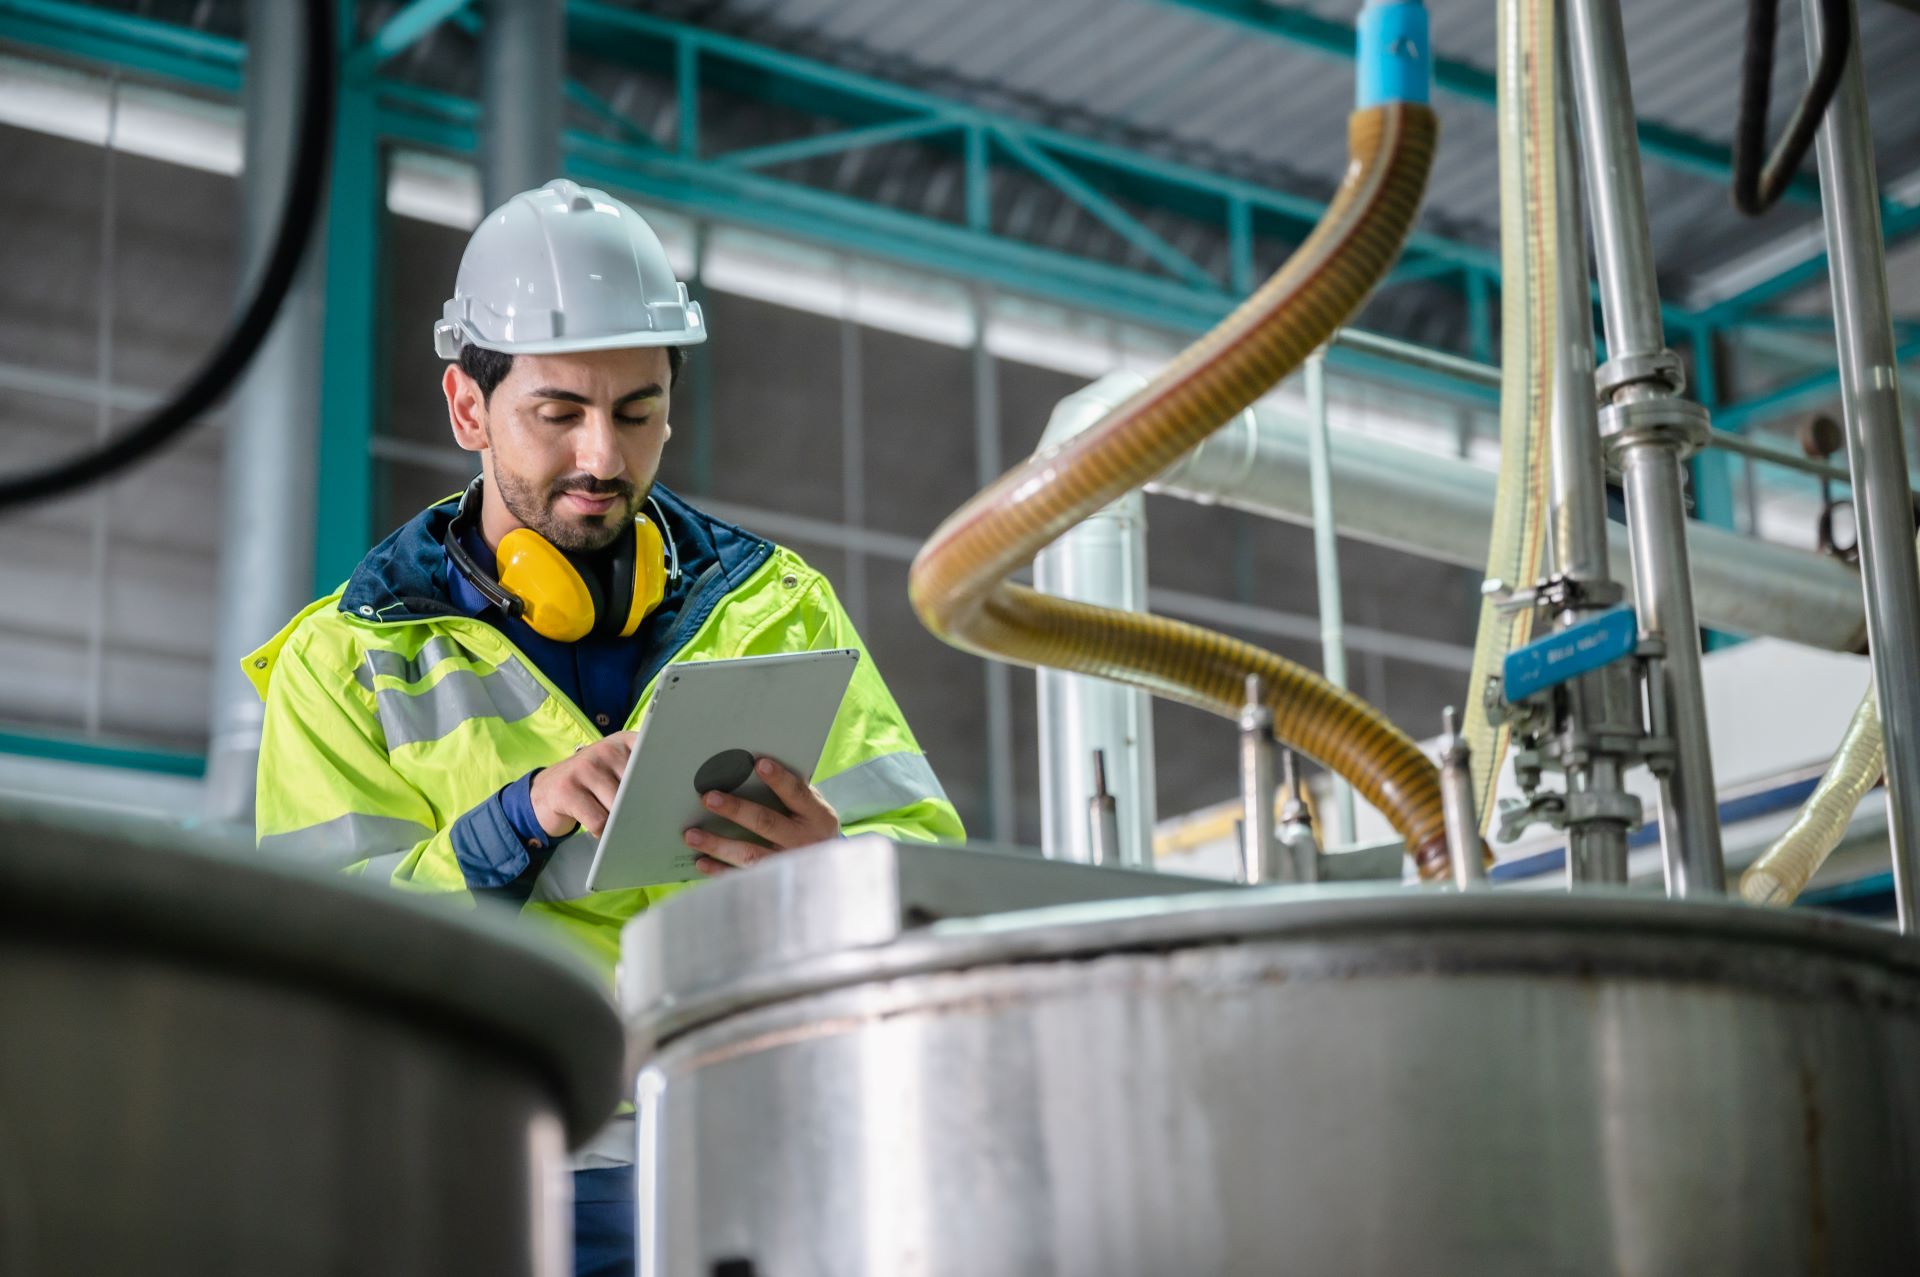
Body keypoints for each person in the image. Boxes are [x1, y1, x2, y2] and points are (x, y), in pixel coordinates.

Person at [245, 179, 964, 1275]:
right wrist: (510, 822)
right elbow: (310, 959)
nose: (603, 457)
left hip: (751, 1154)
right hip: (480, 1169)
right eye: (559, 412)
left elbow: (935, 881)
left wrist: (836, 865)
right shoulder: (350, 660)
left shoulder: (779, 609)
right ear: (468, 407)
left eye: (638, 412)